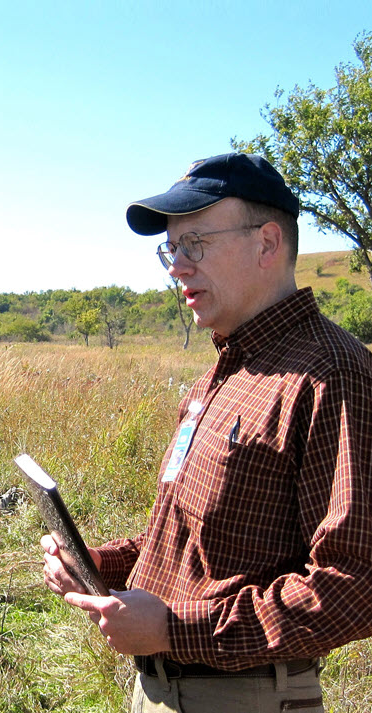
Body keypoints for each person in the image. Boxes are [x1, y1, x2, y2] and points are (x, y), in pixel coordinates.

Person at [42, 153, 372, 713]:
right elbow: (198, 545)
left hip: (249, 697)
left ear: (267, 243)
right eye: (171, 249)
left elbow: (353, 586)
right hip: (158, 691)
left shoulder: (330, 375)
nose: (177, 266)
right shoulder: (215, 379)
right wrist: (102, 563)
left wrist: (174, 630)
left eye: (195, 243)